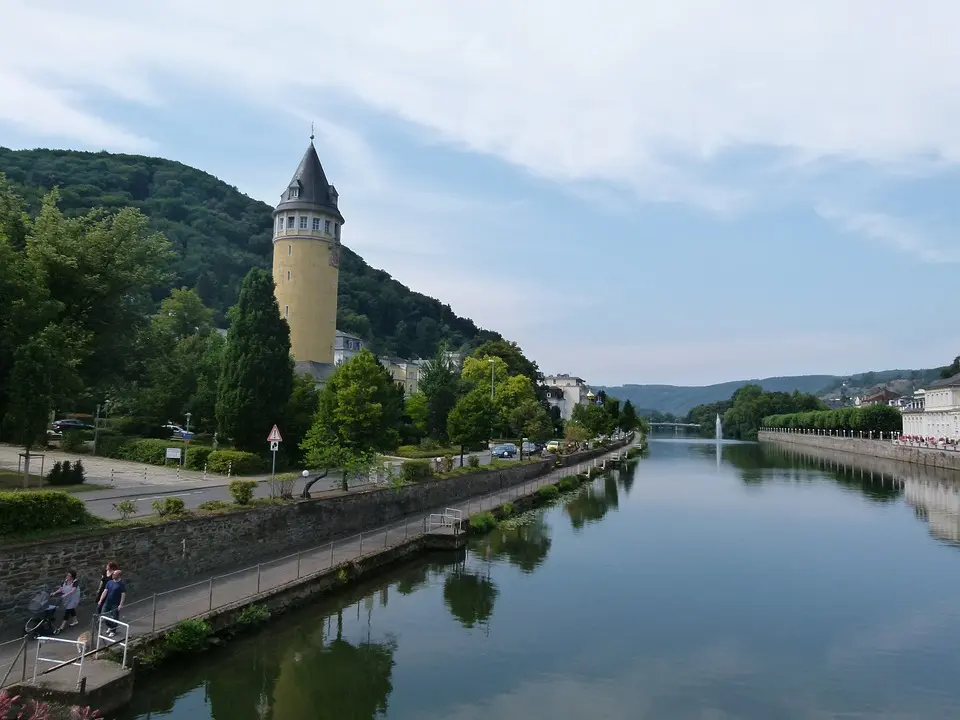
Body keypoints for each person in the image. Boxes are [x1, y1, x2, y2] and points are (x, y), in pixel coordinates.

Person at [97, 569, 126, 638]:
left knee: (115, 618)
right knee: (104, 616)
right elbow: (105, 591)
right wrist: (101, 600)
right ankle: (110, 626)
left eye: (114, 575)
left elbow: (123, 594)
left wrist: (121, 604)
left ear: (118, 575)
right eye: (113, 574)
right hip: (107, 602)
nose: (112, 575)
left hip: (115, 604)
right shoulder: (109, 582)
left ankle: (113, 631)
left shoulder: (121, 584)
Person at [51, 570, 80, 635]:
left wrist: (65, 594)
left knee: (68, 610)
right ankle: (75, 621)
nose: (67, 576)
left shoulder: (75, 582)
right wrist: (55, 593)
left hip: (73, 598)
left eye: (69, 576)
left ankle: (62, 627)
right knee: (71, 609)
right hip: (67, 598)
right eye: (67, 575)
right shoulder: (65, 581)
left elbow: (73, 591)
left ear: (72, 577)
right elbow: (61, 588)